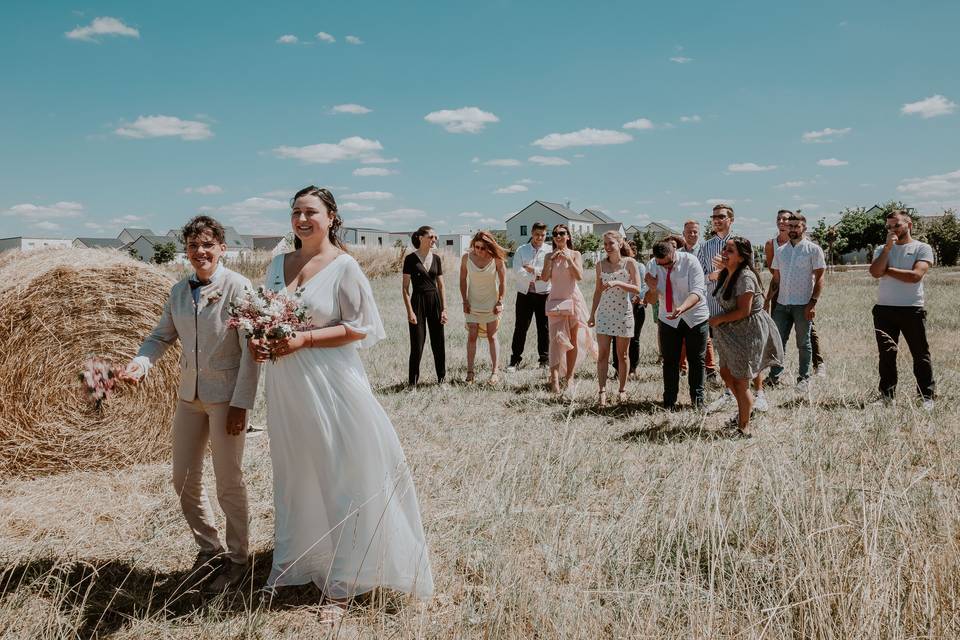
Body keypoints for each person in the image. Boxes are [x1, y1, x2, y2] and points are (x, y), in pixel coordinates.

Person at [253, 186, 433, 604]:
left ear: (331, 217)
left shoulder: (345, 266)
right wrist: (259, 341)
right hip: (286, 385)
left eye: (310, 212)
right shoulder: (277, 264)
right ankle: (297, 559)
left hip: (332, 384)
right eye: (295, 211)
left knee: (341, 472)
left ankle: (347, 579)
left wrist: (305, 340)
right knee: (296, 471)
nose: (301, 219)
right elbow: (267, 317)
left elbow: (361, 327)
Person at [122, 215, 259, 592]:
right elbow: (160, 336)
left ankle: (238, 559)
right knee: (182, 478)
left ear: (221, 249)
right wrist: (141, 362)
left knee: (228, 481)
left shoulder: (239, 287)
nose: (200, 252)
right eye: (194, 246)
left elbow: (252, 353)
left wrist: (241, 404)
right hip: (189, 397)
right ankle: (209, 547)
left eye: (207, 245)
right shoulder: (179, 291)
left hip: (227, 399)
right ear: (187, 251)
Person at [709, 237, 783, 437]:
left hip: (748, 331)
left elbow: (744, 310)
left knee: (741, 381)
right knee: (725, 373)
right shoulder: (727, 273)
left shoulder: (745, 277)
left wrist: (718, 319)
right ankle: (746, 407)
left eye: (730, 250)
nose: (724, 252)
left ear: (742, 257)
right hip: (731, 332)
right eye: (725, 248)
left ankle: (744, 427)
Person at [868, 209, 936, 410]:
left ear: (909, 225)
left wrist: (886, 271)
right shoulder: (882, 249)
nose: (892, 229)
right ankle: (887, 396)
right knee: (886, 355)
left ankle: (926, 397)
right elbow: (874, 272)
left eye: (896, 225)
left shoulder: (922, 248)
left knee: (920, 354)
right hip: (884, 309)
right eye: (889, 226)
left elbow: (915, 276)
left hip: (912, 309)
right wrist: (888, 250)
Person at [645, 239, 710, 409]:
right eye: (662, 264)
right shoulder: (652, 265)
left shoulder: (690, 261)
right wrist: (651, 288)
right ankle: (669, 401)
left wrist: (682, 308)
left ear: (674, 252)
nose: (665, 267)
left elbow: (697, 292)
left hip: (694, 317)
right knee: (670, 360)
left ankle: (697, 401)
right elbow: (651, 300)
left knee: (697, 360)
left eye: (668, 263)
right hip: (668, 319)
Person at [765, 213, 826, 390]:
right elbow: (776, 279)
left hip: (802, 304)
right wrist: (768, 300)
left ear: (804, 228)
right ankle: (774, 377)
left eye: (795, 226)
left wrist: (812, 303)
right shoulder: (781, 251)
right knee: (777, 342)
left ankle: (804, 379)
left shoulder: (813, 250)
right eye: (789, 226)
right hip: (782, 304)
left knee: (803, 343)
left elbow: (820, 278)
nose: (791, 229)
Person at [539, 223, 597, 393]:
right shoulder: (549, 255)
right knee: (556, 340)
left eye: (562, 233)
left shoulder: (575, 254)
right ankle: (554, 378)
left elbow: (579, 276)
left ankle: (570, 376)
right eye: (555, 234)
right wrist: (550, 260)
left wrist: (569, 259)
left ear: (568, 236)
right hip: (556, 301)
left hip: (573, 300)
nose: (558, 236)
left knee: (572, 340)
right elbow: (543, 278)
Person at [589, 231, 642, 406]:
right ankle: (602, 391)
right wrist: (592, 314)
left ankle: (622, 390)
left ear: (620, 244)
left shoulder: (630, 263)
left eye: (611, 243)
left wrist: (617, 283)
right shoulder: (600, 265)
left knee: (623, 354)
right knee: (602, 354)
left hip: (623, 314)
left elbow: (636, 289)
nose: (607, 247)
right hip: (604, 314)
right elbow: (597, 291)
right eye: (605, 243)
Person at [402, 226, 447, 387]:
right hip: (417, 302)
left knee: (438, 342)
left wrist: (444, 309)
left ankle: (442, 380)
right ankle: (412, 384)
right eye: (431, 236)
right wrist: (410, 311)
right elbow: (405, 288)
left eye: (436, 237)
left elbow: (441, 286)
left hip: (435, 301)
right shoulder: (410, 259)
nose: (434, 240)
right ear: (421, 237)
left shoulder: (437, 259)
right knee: (417, 344)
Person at [460, 231, 507, 384]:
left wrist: (500, 301)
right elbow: (462, 280)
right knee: (472, 335)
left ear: (489, 247)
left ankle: (495, 372)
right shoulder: (466, 258)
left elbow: (503, 282)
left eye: (482, 248)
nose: (479, 251)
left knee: (491, 336)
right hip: (473, 302)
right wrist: (464, 301)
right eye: (476, 247)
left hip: (491, 303)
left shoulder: (497, 259)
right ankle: (470, 372)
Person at [507, 222, 551, 372]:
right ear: (532, 233)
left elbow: (549, 273)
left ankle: (544, 360)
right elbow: (518, 272)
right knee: (520, 327)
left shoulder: (549, 251)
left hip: (544, 294)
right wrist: (539, 276)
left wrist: (533, 270)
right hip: (524, 294)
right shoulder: (522, 250)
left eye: (543, 235)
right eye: (537, 234)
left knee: (544, 328)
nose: (540, 237)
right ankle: (515, 360)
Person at [611, 240, 647, 379]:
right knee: (616, 338)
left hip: (636, 306)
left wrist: (639, 297)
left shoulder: (639, 266)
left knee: (634, 339)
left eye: (628, 252)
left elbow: (643, 286)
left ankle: (632, 368)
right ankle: (618, 368)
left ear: (633, 253)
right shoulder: (616, 266)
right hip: (618, 306)